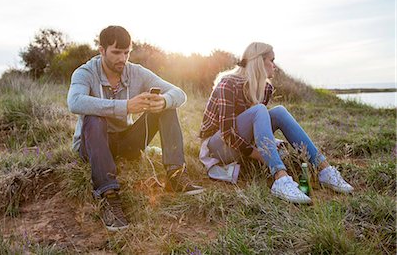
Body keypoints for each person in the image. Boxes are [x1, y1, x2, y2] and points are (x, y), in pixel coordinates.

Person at [67, 26, 204, 231]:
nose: (122, 58)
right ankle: (108, 195)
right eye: (116, 52)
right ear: (101, 50)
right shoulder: (85, 72)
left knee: (166, 108)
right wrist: (125, 106)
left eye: (126, 52)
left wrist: (164, 101)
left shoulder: (136, 71)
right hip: (92, 146)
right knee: (94, 118)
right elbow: (75, 102)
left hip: (125, 143)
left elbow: (179, 93)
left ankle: (175, 176)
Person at [199, 42, 353, 204]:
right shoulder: (228, 84)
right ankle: (280, 178)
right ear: (259, 62)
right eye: (271, 60)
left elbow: (258, 126)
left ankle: (324, 169)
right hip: (217, 147)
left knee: (278, 111)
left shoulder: (265, 88)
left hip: (241, 145)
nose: (275, 66)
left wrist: (269, 146)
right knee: (259, 109)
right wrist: (261, 155)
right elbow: (227, 134)